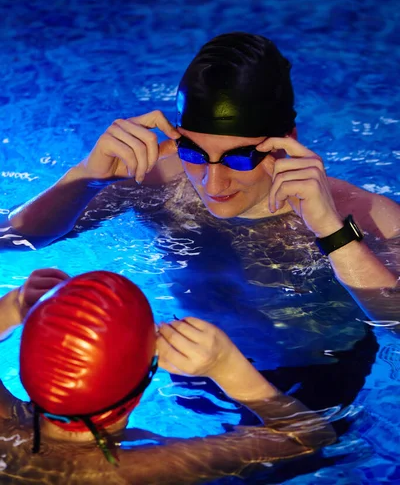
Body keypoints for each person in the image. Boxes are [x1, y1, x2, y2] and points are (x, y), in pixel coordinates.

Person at [1, 32, 399, 414]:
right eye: (193, 151)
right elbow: (13, 239)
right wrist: (84, 177)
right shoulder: (157, 179)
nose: (213, 182)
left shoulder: (368, 215)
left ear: (287, 141)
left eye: (239, 158)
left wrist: (332, 231)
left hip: (315, 374)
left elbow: (395, 324)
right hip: (192, 362)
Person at [0, 268, 335, 484]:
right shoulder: (138, 471)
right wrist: (227, 365)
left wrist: (14, 306)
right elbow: (310, 440)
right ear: (142, 388)